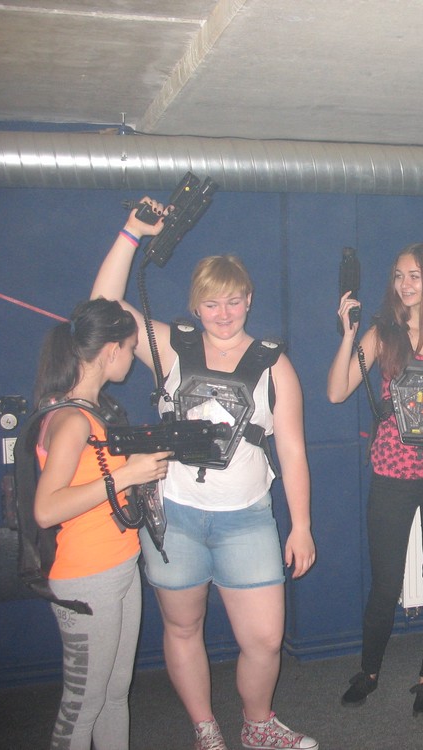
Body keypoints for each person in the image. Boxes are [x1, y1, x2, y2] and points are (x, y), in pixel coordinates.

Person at [92, 203, 318, 750]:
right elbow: (103, 308)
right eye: (212, 302)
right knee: (183, 628)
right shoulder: (172, 348)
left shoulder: (274, 365)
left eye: (234, 300)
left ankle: (257, 723)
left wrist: (301, 525)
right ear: (196, 305)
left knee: (265, 639)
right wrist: (130, 233)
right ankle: (205, 727)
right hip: (176, 519)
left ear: (249, 300)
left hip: (246, 520)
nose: (224, 312)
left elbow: (292, 451)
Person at [327, 242, 423, 718]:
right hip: (392, 472)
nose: (405, 284)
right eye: (398, 275)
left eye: (414, 275)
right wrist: (349, 336)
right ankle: (369, 671)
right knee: (386, 584)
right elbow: (337, 391)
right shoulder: (383, 333)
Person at [33, 298, 171, 750]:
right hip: (87, 577)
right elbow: (46, 509)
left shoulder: (89, 411)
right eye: (130, 348)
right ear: (111, 350)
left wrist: (133, 468)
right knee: (82, 705)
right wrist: (126, 475)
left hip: (118, 565)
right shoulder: (72, 419)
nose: (132, 357)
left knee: (114, 694)